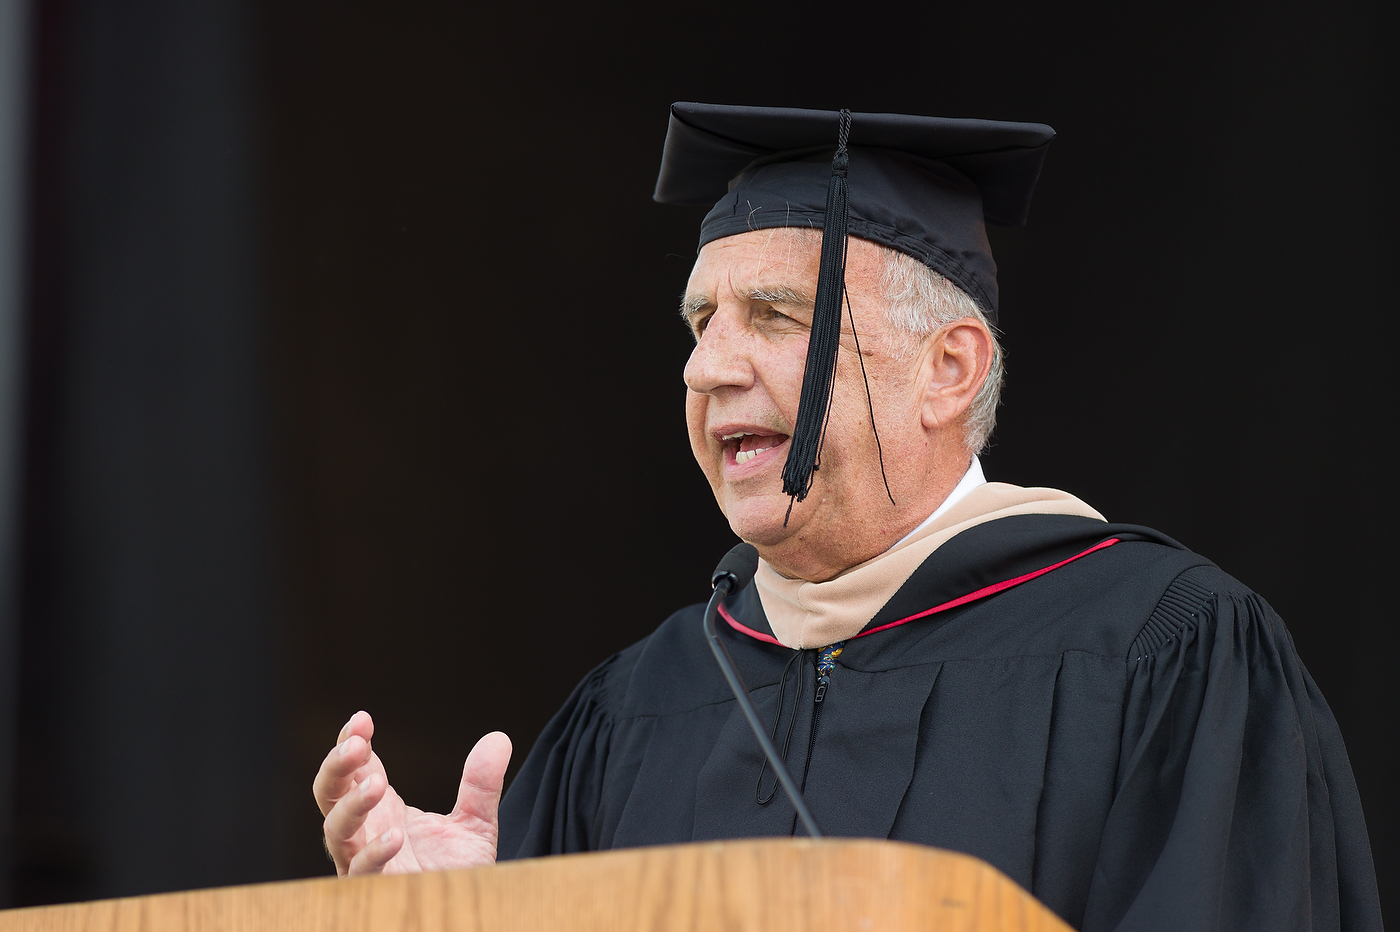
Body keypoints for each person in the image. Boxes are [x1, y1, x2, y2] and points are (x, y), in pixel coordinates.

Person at [313, 104, 1382, 931]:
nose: (706, 364)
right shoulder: (633, 710)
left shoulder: (1158, 652)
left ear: (946, 370)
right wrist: (468, 913)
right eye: (698, 321)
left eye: (773, 315)